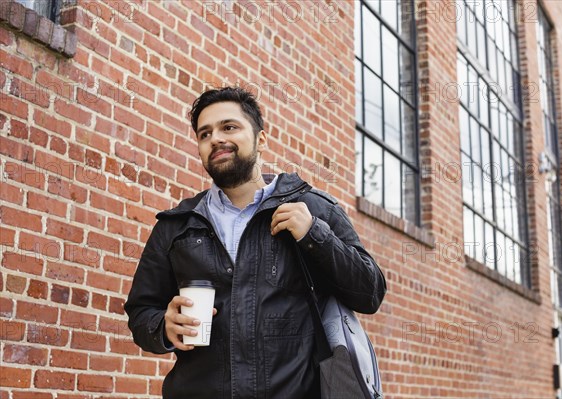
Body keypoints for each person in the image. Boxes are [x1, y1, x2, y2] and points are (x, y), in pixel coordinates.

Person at [125, 86, 386, 398]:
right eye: (204, 134)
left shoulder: (312, 207)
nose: (216, 139)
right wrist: (164, 327)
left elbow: (370, 292)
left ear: (262, 139)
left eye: (229, 127)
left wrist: (314, 234)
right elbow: (141, 312)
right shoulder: (177, 226)